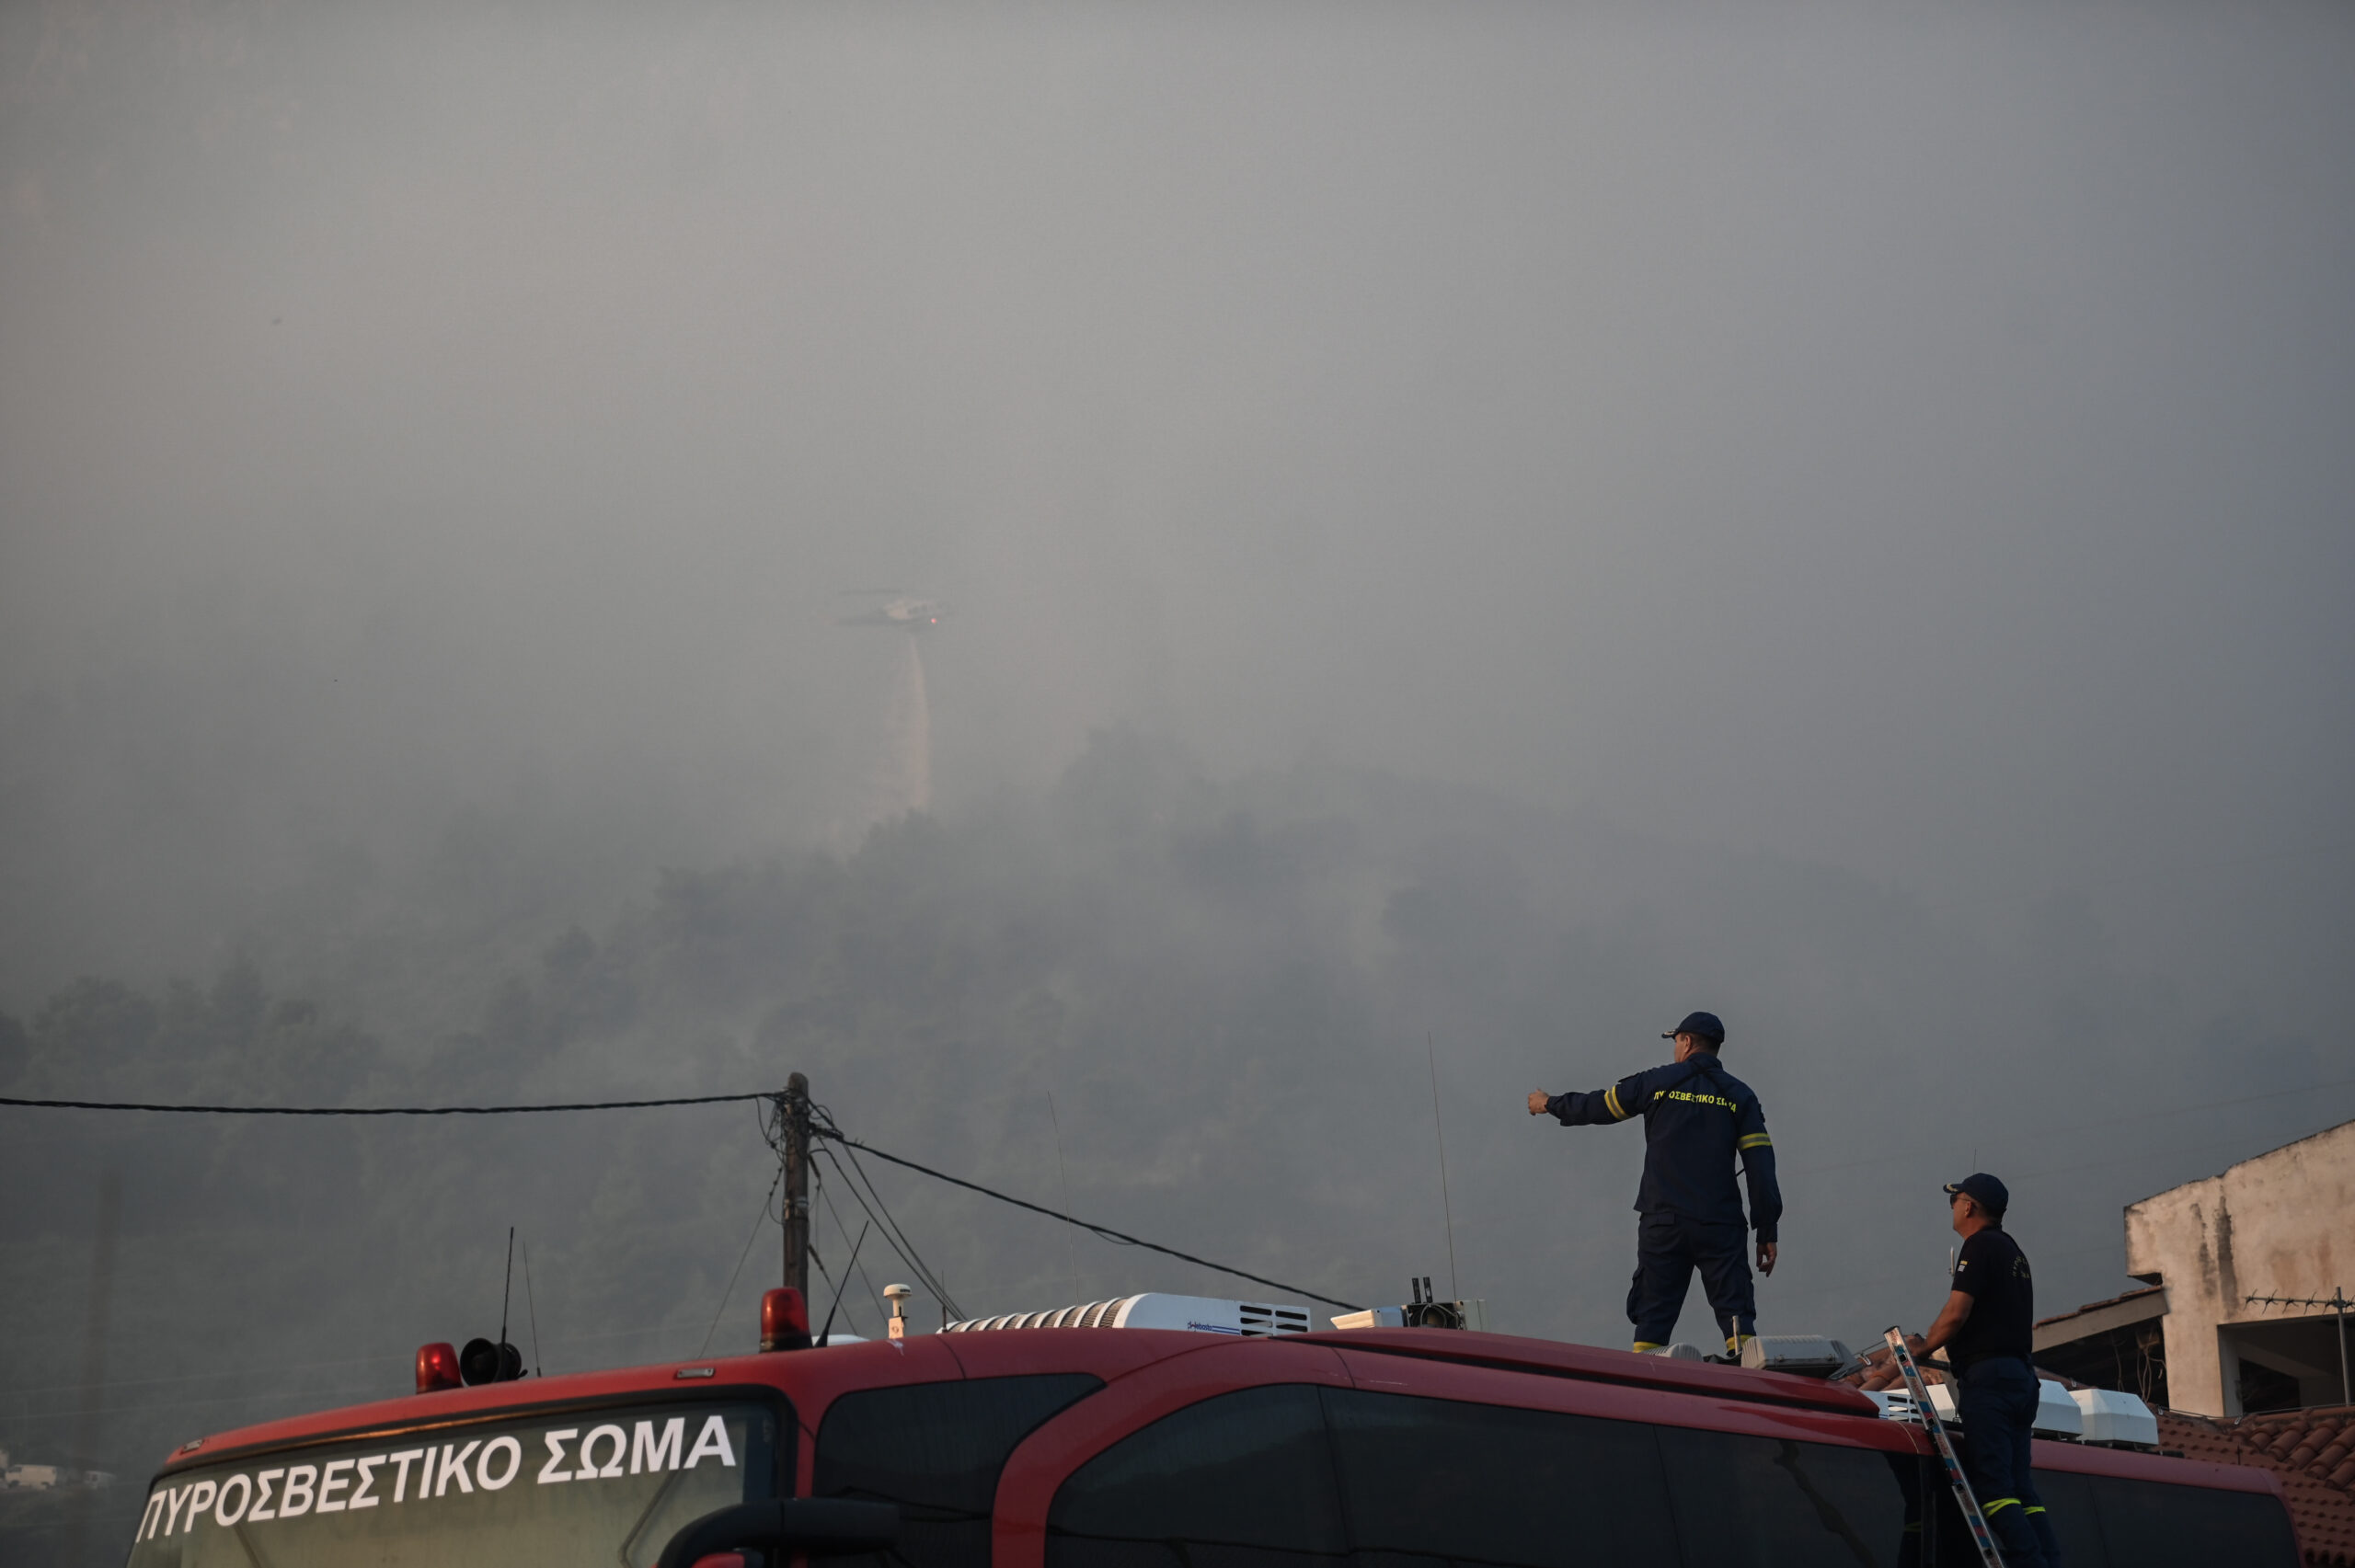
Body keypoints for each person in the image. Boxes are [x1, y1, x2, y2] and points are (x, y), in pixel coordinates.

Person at [1527, 1010, 1780, 1358]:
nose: (1675, 1048)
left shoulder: (1657, 1083)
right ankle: (1750, 1388)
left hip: (1663, 1223)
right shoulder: (1740, 1096)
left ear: (1687, 1041)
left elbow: (1598, 1107)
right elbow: (1761, 1166)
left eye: (1676, 1040)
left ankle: (1646, 1395)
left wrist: (1549, 1104)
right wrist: (1766, 1230)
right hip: (1720, 1225)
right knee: (1737, 1318)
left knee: (1652, 1320)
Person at [1917, 1173, 2062, 1568]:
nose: (1951, 1206)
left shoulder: (1978, 1247)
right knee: (2023, 1492)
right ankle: (2048, 1561)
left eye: (1955, 1199)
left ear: (1969, 1206)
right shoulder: (2013, 1251)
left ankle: (2030, 1562)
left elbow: (1956, 1313)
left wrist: (1922, 1347)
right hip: (2021, 1379)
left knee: (1994, 1490)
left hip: (1990, 1381)